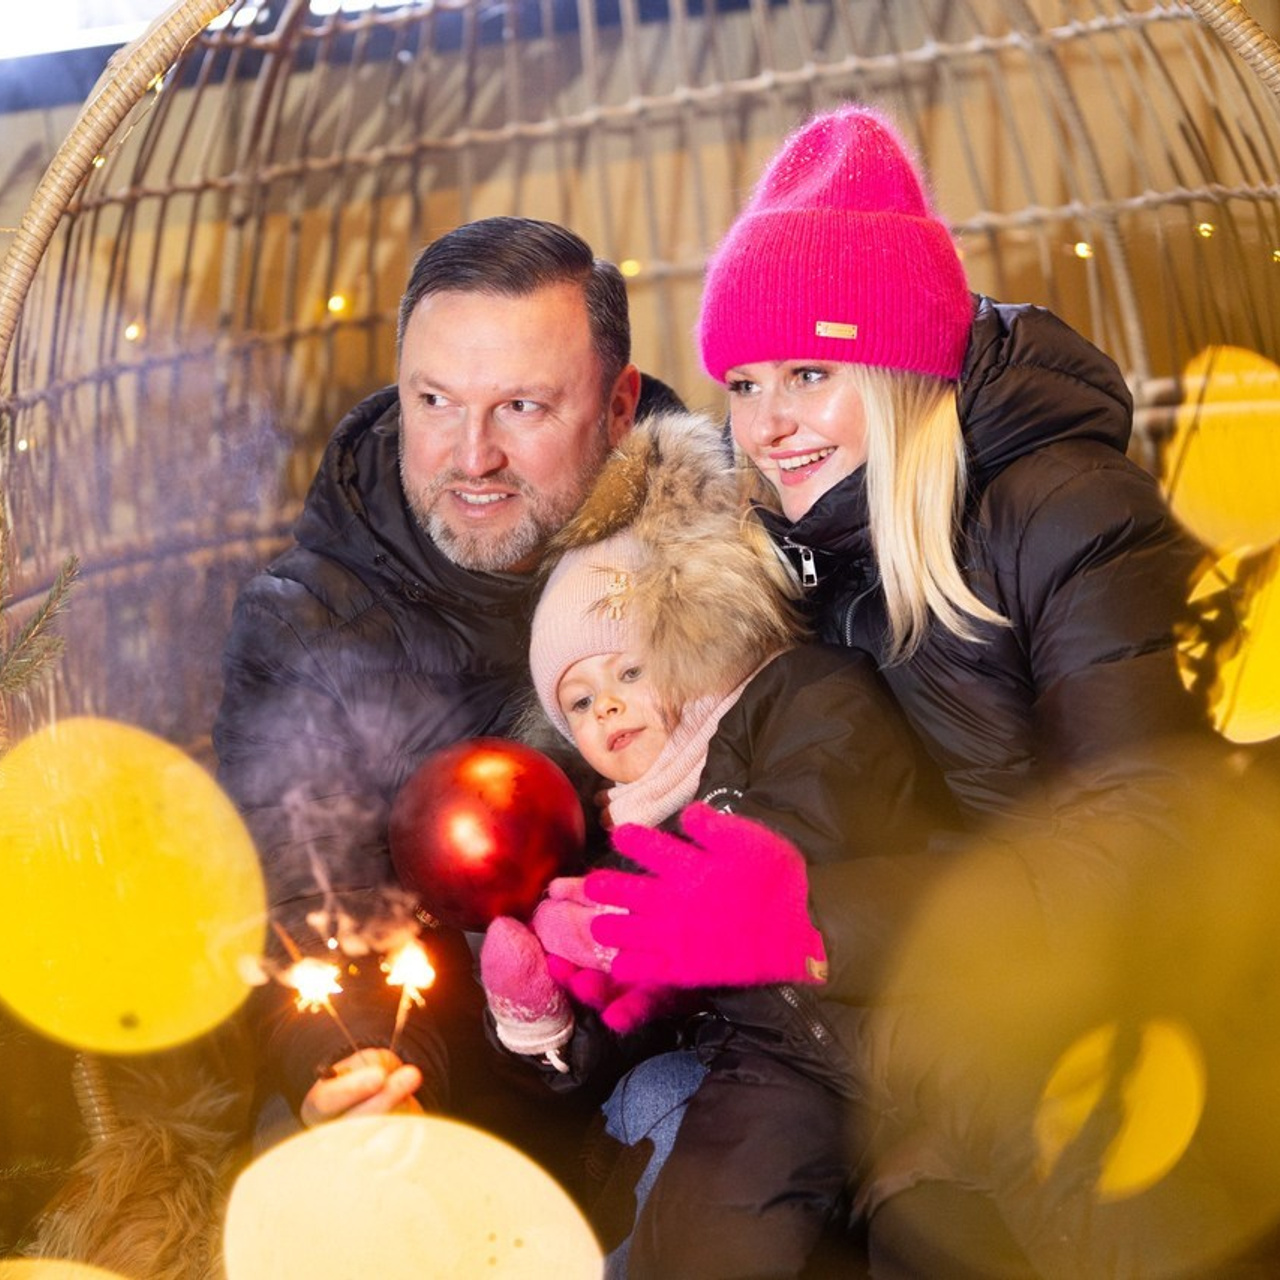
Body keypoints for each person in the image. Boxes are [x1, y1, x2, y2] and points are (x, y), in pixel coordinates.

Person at [570, 106, 1240, 1276]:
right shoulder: (802, 557)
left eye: (810, 372)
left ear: (900, 367)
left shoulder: (1063, 514)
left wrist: (811, 920)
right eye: (743, 380)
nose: (768, 423)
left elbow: (1148, 834)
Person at [212, 216, 682, 1170]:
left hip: (674, 1052)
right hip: (453, 1093)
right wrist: (366, 1072)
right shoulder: (306, 625)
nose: (472, 457)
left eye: (522, 408)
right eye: (435, 401)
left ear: (619, 404)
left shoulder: (710, 570)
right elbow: (309, 909)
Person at [476, 407, 948, 1276]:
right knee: (704, 1232)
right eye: (578, 702)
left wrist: (658, 913)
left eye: (628, 670)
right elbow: (639, 1013)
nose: (607, 706)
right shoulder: (621, 829)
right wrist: (554, 1021)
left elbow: (820, 818)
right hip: (771, 1066)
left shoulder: (795, 691)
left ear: (689, 641)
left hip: (897, 1009)